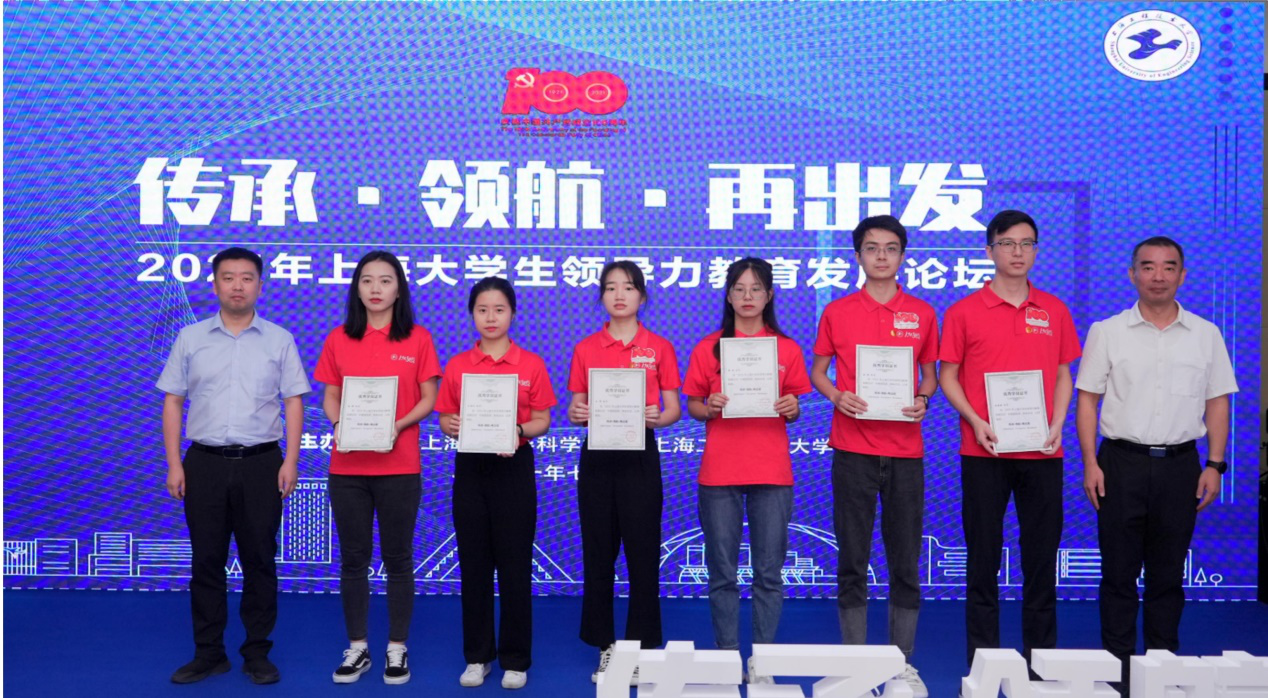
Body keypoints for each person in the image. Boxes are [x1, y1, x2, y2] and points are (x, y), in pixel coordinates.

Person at [1075, 237, 1236, 693]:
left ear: (1182, 275)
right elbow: (1087, 400)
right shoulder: (1108, 331)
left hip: (1181, 467)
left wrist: (1215, 464)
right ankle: (1119, 674)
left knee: (1168, 576)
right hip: (1119, 464)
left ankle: (1162, 670)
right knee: (1118, 574)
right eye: (1148, 267)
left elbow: (1217, 401)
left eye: (1168, 267)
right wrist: (1090, 463)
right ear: (1132, 274)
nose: (1158, 276)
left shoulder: (1206, 333)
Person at [158, 246, 310, 685]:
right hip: (203, 463)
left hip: (262, 463)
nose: (237, 286)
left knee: (260, 559)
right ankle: (209, 653)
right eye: (228, 277)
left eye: (247, 278)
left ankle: (257, 652)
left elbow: (293, 401)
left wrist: (292, 461)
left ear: (260, 285)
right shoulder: (191, 338)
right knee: (206, 560)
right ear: (215, 284)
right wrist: (174, 464)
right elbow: (173, 401)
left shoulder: (279, 339)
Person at [938, 210, 1080, 670]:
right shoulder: (963, 312)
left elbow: (1063, 373)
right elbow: (947, 375)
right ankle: (984, 663)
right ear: (989, 250)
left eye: (1027, 243)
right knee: (982, 560)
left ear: (1036, 251)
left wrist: (1058, 422)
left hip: (1043, 450)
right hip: (984, 450)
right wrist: (975, 420)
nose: (1018, 252)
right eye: (1007, 243)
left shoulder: (1054, 310)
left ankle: (1040, 664)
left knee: (1040, 560)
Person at [809, 216, 938, 698]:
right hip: (853, 450)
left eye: (890, 248)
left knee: (905, 560)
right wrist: (836, 395)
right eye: (871, 248)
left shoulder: (922, 313)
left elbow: (930, 374)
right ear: (858, 255)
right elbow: (818, 371)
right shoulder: (838, 311)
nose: (881, 256)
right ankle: (855, 667)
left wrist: (923, 399)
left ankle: (902, 664)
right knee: (853, 558)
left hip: (906, 452)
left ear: (902, 255)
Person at [682, 257, 812, 685]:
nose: (747, 296)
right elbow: (693, 404)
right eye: (739, 289)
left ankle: (763, 660)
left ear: (769, 295)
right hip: (720, 471)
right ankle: (726, 657)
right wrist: (709, 407)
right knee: (722, 574)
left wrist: (792, 407)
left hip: (772, 472)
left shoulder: (786, 349)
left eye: (756, 289)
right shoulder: (709, 347)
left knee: (768, 574)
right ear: (728, 295)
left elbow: (795, 405)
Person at [314, 251, 441, 685]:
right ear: (357, 289)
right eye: (367, 280)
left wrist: (397, 425)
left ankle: (397, 648)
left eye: (385, 280)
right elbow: (330, 395)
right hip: (347, 467)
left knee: (398, 558)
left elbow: (429, 398)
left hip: (399, 466)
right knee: (353, 558)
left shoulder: (417, 338)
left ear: (399, 289)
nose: (375, 288)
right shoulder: (339, 338)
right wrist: (340, 425)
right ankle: (358, 647)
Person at [436, 277, 556, 690]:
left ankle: (516, 658)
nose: (491, 317)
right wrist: (451, 424)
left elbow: (543, 419)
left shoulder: (531, 364)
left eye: (499, 309)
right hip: (471, 468)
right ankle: (478, 657)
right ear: (472, 314)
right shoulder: (458, 365)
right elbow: (445, 417)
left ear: (512, 314)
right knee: (474, 565)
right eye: (482, 309)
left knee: (514, 565)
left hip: (513, 467)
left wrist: (516, 430)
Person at [567, 261, 682, 684]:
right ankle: (606, 647)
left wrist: (658, 417)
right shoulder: (586, 348)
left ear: (642, 296)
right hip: (597, 457)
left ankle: (638, 648)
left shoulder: (659, 347)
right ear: (601, 295)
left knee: (643, 554)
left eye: (629, 287)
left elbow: (673, 408)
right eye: (611, 287)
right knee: (598, 553)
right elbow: (575, 406)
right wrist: (577, 413)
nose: (619, 295)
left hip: (639, 456)